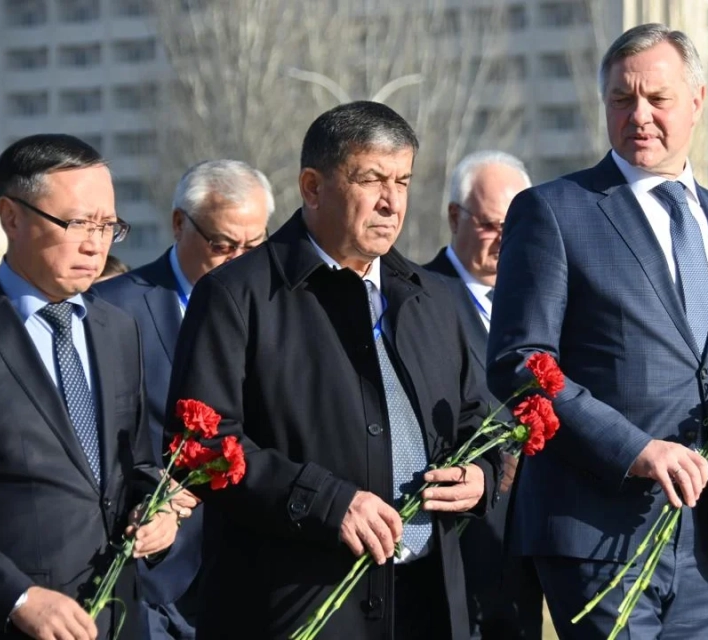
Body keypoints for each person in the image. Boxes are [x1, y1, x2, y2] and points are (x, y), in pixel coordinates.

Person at [487, 23, 708, 640]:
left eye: (658, 98)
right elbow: (521, 364)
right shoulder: (553, 210)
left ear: (697, 101)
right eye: (622, 100)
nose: (639, 115)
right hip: (594, 532)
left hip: (706, 540)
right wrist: (637, 451)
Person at [163, 101, 500, 640]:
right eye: (371, 179)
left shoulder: (434, 298)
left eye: (404, 181)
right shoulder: (236, 296)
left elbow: (477, 421)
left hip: (426, 604)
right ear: (313, 187)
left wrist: (481, 477)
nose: (392, 202)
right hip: (297, 609)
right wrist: (326, 502)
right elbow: (198, 448)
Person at [0, 134, 182, 640]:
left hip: (118, 619)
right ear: (11, 216)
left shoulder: (117, 330)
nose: (95, 244)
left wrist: (161, 512)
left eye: (108, 226)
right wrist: (15, 595)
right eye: (77, 223)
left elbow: (137, 465)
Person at [94, 159, 272, 639]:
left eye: (253, 246)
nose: (239, 260)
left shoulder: (283, 312)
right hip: (156, 581)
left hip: (259, 578)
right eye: (221, 245)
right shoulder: (112, 309)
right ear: (179, 224)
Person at [423, 150, 542, 639]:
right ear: (455, 216)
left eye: (516, 225)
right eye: (493, 225)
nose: (504, 241)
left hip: (527, 547)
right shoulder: (418, 297)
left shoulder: (541, 300)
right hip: (456, 547)